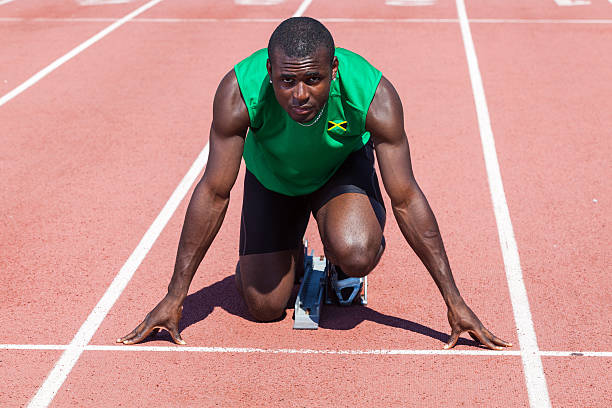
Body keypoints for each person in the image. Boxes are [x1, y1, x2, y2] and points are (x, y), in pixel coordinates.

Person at [118, 17, 511, 350]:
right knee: (263, 306)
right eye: (287, 81)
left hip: (338, 170)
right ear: (270, 73)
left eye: (314, 79)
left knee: (356, 252)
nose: (300, 94)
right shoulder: (238, 93)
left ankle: (340, 256)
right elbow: (214, 192)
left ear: (334, 70)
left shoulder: (373, 95)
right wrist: (175, 297)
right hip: (273, 179)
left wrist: (454, 301)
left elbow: (406, 197)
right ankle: (295, 253)